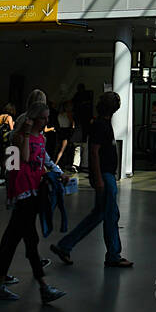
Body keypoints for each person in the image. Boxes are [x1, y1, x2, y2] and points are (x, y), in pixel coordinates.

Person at [0, 93, 66, 303]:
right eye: (44, 118)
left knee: (16, 239)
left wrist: (56, 173)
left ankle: (1, 278)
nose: (47, 122)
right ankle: (39, 285)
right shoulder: (21, 134)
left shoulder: (41, 136)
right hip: (23, 193)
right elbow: (21, 159)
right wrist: (12, 189)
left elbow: (40, 161)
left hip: (32, 190)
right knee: (26, 240)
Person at [51, 91, 132, 269]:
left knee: (102, 214)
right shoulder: (101, 125)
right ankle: (113, 255)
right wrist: (99, 179)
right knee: (109, 215)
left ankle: (66, 245)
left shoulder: (102, 124)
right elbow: (94, 152)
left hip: (105, 176)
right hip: (105, 176)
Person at [53, 99, 74, 169]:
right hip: (66, 131)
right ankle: (56, 163)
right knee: (63, 149)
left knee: (58, 148)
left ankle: (57, 163)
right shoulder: (68, 114)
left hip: (60, 130)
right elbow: (72, 124)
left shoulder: (59, 114)